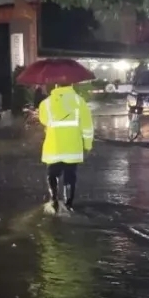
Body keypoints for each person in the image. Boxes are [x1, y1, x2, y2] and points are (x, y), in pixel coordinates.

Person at [38, 82, 94, 213]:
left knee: (52, 174)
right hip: (72, 147)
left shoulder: (46, 103)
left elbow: (43, 120)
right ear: (72, 84)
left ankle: (54, 201)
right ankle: (69, 204)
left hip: (53, 147)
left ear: (56, 85)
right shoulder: (79, 101)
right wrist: (87, 145)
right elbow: (87, 126)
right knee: (70, 176)